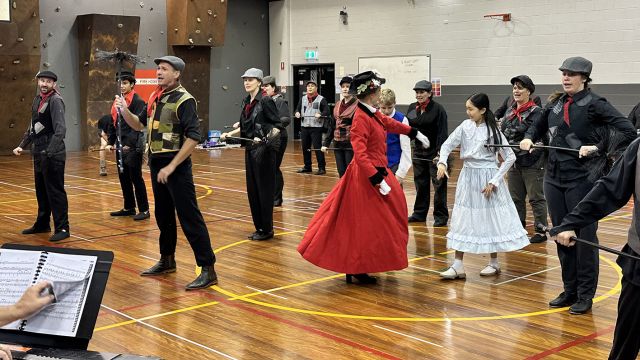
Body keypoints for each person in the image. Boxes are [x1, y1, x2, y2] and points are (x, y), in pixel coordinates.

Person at [520, 56, 636, 314]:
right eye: (563, 73)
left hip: (582, 180)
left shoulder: (596, 104)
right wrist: (528, 138)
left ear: (584, 78)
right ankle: (569, 289)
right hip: (553, 178)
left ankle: (585, 294)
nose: (566, 78)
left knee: (584, 238)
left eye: (571, 74)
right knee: (562, 234)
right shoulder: (555, 105)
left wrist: (598, 147)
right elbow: (536, 127)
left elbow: (628, 132)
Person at [298, 71, 431, 284]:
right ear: (370, 93)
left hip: (376, 170)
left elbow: (389, 124)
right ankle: (357, 266)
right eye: (377, 90)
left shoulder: (372, 112)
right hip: (366, 176)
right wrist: (376, 179)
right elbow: (359, 153)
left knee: (382, 220)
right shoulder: (360, 117)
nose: (380, 93)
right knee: (365, 224)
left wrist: (412, 132)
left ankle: (365, 264)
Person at [115, 55, 217, 290]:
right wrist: (123, 111)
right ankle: (167, 259)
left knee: (190, 217)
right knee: (163, 216)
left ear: (177, 73)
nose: (158, 72)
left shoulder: (185, 100)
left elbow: (194, 137)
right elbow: (138, 125)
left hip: (176, 166)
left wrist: (172, 166)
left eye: (164, 69)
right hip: (157, 165)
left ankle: (208, 268)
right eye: (157, 68)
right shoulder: (154, 97)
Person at [551, 137, 640, 359]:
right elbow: (610, 189)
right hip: (639, 265)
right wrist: (572, 221)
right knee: (625, 343)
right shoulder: (638, 148)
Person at [437, 93, 529, 279]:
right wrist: (442, 163)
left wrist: (494, 181)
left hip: (488, 179)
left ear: (483, 110)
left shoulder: (494, 131)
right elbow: (447, 145)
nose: (468, 112)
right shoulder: (464, 126)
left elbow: (510, 157)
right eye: (467, 108)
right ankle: (458, 265)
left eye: (471, 109)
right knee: (463, 217)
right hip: (468, 177)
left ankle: (494, 263)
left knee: (490, 219)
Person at [220, 68, 281, 241]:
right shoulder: (247, 102)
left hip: (264, 152)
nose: (247, 82)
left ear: (260, 82)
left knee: (264, 191)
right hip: (250, 150)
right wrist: (230, 135)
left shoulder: (266, 101)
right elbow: (246, 126)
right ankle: (259, 227)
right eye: (245, 79)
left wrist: (263, 139)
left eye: (251, 79)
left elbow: (278, 125)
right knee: (253, 190)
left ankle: (267, 229)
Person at [13, 70, 70, 242]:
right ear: (38, 82)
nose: (44, 84)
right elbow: (33, 127)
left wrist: (50, 151)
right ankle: (43, 223)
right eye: (42, 81)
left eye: (48, 81)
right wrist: (22, 145)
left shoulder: (55, 101)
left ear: (53, 84)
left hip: (53, 153)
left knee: (55, 191)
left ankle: (63, 227)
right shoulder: (38, 100)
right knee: (41, 191)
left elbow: (61, 131)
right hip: (39, 152)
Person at [499, 75, 548, 243]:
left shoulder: (537, 112)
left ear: (529, 91)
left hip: (532, 162)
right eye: (514, 88)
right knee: (516, 198)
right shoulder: (510, 111)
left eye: (520, 88)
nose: (516, 91)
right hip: (513, 161)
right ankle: (518, 227)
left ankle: (541, 231)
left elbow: (542, 137)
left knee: (536, 198)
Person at [105, 70, 150, 221]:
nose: (122, 86)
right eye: (120, 83)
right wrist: (110, 142)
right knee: (123, 177)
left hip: (133, 146)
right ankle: (129, 207)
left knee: (136, 178)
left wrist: (128, 144)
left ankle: (144, 209)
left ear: (132, 84)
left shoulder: (137, 101)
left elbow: (138, 125)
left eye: (125, 83)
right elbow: (113, 123)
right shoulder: (117, 100)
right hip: (120, 146)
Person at [406, 80, 449, 226]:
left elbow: (443, 134)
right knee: (420, 184)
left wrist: (440, 155)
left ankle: (441, 216)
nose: (419, 95)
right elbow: (409, 127)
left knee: (439, 185)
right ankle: (419, 214)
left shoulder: (438, 109)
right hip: (418, 153)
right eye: (417, 92)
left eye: (422, 92)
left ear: (430, 93)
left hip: (434, 154)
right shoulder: (412, 108)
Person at [261, 75, 290, 207]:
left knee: (274, 167)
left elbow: (285, 119)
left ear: (273, 87)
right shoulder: (264, 101)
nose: (264, 88)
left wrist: (274, 127)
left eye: (266, 86)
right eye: (263, 86)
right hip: (267, 138)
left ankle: (277, 197)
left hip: (279, 137)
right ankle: (270, 195)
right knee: (268, 167)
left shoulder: (280, 101)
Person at [321, 76, 357, 177]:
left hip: (350, 143)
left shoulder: (357, 105)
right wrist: (326, 143)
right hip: (337, 143)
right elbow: (332, 125)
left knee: (350, 172)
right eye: (343, 87)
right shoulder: (337, 104)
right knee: (341, 171)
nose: (345, 89)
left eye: (348, 86)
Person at [378, 88, 412, 185]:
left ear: (395, 103)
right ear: (379, 104)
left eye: (390, 107)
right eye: (383, 108)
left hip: (394, 165)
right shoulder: (373, 117)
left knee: (394, 198)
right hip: (377, 164)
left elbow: (406, 149)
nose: (387, 111)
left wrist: (400, 174)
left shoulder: (402, 120)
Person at [295, 80, 329, 175]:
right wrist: (297, 113)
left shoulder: (321, 99)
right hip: (304, 126)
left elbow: (327, 111)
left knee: (318, 148)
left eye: (312, 86)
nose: (310, 87)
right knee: (305, 148)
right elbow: (297, 109)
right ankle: (307, 167)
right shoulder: (303, 98)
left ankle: (322, 168)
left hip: (316, 127)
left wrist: (321, 114)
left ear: (316, 88)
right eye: (308, 86)